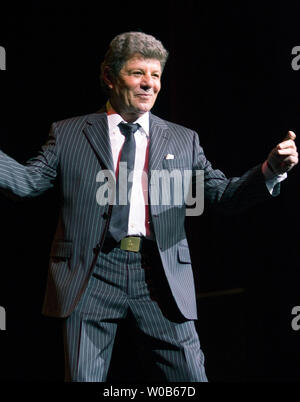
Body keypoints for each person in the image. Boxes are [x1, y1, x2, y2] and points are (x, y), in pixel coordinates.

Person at [0, 31, 298, 382]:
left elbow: (223, 195)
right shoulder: (68, 134)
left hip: (158, 273)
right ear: (109, 77)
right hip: (92, 272)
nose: (149, 84)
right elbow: (27, 183)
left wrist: (270, 171)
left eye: (155, 75)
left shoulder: (183, 139)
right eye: (137, 73)